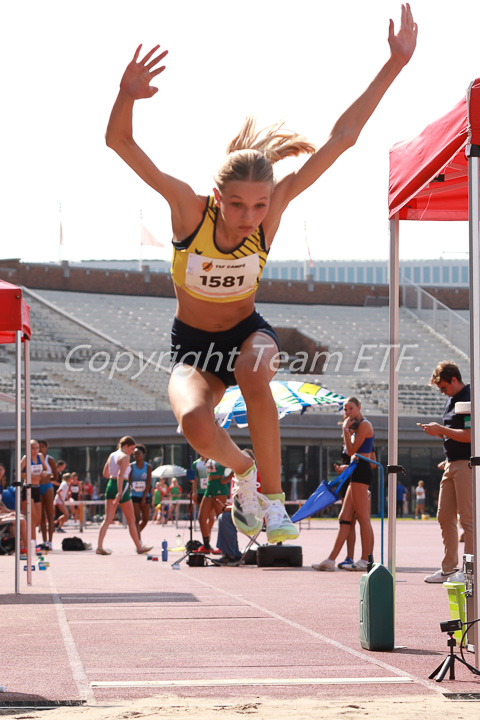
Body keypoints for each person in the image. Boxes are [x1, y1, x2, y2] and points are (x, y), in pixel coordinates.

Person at [105, 7, 417, 544]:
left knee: (255, 372)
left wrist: (395, 64)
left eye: (260, 205)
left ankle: (272, 503)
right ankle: (245, 474)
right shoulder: (188, 210)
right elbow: (121, 144)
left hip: (248, 331)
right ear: (219, 196)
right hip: (193, 348)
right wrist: (126, 95)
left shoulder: (271, 214)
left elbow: (342, 138)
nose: (251, 216)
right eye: (239, 205)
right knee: (195, 425)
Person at [420, 362, 472, 583]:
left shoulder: (470, 396)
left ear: (453, 379)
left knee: (467, 520)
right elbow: (455, 433)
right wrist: (440, 435)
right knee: (444, 516)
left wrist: (440, 430)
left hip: (467, 464)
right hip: (451, 463)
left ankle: (470, 570)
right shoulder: (450, 400)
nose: (442, 392)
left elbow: (470, 435)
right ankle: (449, 569)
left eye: (443, 387)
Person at [313, 397, 376, 572]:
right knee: (344, 518)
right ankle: (331, 560)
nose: (347, 412)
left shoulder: (364, 425)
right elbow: (353, 453)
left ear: (359, 407)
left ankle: (366, 559)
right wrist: (347, 466)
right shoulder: (355, 427)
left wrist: (345, 429)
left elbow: (354, 451)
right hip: (354, 471)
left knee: (363, 518)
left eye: (350, 408)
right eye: (345, 409)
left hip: (361, 473)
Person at [96, 436, 152, 556]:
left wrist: (115, 479)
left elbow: (105, 473)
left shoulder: (112, 455)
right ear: (125, 446)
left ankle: (99, 546)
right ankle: (139, 547)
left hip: (111, 484)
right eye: (132, 449)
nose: (132, 452)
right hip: (122, 486)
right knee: (131, 520)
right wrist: (120, 492)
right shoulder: (125, 457)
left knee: (107, 519)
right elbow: (121, 475)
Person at [197, 459, 233, 553]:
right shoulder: (209, 457)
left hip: (219, 486)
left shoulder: (222, 455)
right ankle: (206, 545)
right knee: (201, 517)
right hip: (209, 487)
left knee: (220, 517)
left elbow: (235, 467)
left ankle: (223, 547)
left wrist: (226, 479)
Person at [20, 439, 49, 547]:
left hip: (37, 487)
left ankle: (29, 539)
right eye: (33, 448)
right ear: (28, 448)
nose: (35, 450)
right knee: (31, 516)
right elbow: (18, 472)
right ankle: (33, 541)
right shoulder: (26, 458)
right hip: (28, 487)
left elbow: (45, 469)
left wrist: (43, 474)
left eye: (37, 448)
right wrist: (30, 476)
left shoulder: (40, 457)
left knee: (38, 518)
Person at [38, 440, 58, 551]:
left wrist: (47, 478)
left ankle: (50, 541)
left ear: (46, 448)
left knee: (49, 514)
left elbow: (56, 476)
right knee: (41, 516)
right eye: (38, 447)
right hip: (37, 487)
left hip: (47, 487)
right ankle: (44, 540)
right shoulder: (34, 460)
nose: (40, 449)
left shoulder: (49, 459)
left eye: (42, 447)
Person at [129, 444, 152, 540]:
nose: (136, 456)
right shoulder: (131, 466)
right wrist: (133, 486)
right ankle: (138, 540)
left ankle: (135, 534)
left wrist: (144, 497)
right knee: (136, 519)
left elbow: (148, 482)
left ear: (143, 454)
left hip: (145, 495)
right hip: (134, 495)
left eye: (138, 454)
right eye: (134, 454)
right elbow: (129, 480)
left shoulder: (148, 467)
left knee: (146, 519)